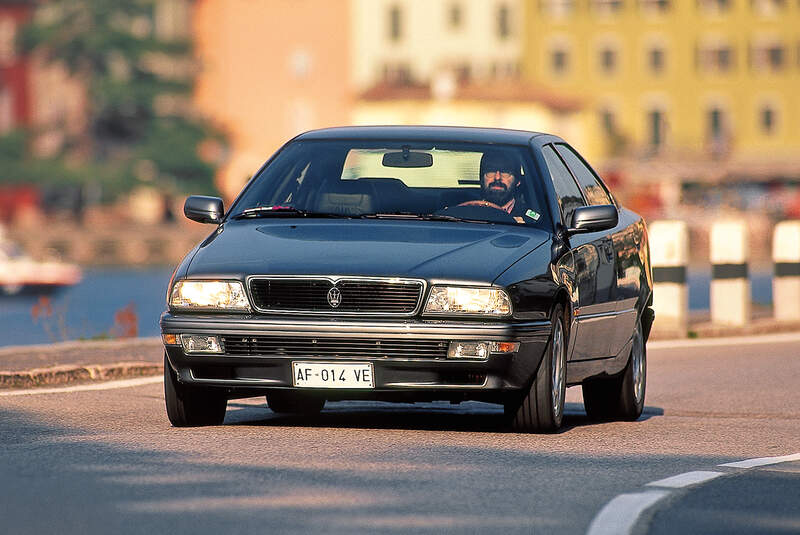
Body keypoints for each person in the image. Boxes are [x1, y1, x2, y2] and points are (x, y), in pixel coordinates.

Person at [458, 150, 531, 219]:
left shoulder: (529, 221)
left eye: (505, 171)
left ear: (518, 181)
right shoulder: (464, 213)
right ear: (481, 178)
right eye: (491, 170)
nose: (497, 177)